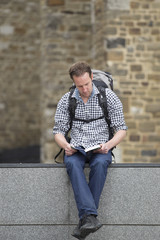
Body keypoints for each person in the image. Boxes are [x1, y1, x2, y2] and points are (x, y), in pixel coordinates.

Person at [53, 62, 127, 239]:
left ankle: (86, 218)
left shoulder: (108, 96)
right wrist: (65, 146)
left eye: (86, 84)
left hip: (101, 147)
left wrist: (108, 145)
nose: (84, 89)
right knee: (70, 163)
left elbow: (122, 129)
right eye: (80, 86)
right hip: (76, 147)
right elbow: (58, 131)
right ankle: (90, 218)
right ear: (74, 83)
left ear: (91, 77)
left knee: (101, 163)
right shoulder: (67, 99)